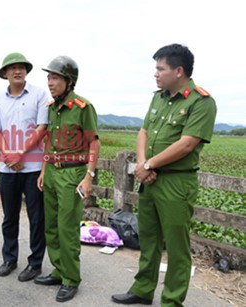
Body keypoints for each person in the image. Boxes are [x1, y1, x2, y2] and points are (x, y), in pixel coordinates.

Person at [111, 44, 217, 306]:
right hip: (150, 181)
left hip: (176, 183)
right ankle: (143, 289)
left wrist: (148, 166)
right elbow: (144, 132)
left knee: (177, 247)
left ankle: (171, 300)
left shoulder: (201, 102)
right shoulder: (158, 97)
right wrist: (144, 164)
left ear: (178, 71)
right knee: (148, 239)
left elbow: (187, 144)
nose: (155, 74)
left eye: (161, 69)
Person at [35, 56, 100, 303]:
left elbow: (94, 142)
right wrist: (43, 170)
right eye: (49, 78)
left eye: (55, 78)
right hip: (51, 172)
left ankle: (71, 279)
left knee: (67, 228)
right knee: (50, 226)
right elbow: (48, 142)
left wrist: (89, 176)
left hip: (73, 174)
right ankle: (59, 270)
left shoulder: (83, 108)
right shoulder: (51, 108)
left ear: (69, 81)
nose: (50, 83)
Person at [0, 52, 49, 281]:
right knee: (9, 216)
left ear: (26, 71)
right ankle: (9, 259)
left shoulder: (39, 95)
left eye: (21, 67)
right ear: (5, 73)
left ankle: (35, 264)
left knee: (36, 218)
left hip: (33, 168)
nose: (17, 71)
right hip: (8, 169)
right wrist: (8, 154)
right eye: (12, 68)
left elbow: (42, 127)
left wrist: (20, 153)